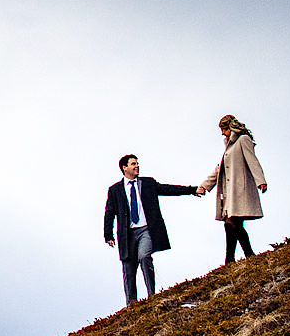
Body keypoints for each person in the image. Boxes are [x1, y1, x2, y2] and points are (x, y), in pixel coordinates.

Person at [103, 153, 199, 304]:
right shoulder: (115, 190)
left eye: (137, 163)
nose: (137, 166)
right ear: (124, 167)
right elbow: (109, 213)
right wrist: (108, 235)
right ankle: (131, 303)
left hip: (146, 230)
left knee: (144, 256)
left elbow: (168, 189)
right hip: (127, 234)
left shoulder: (148, 183)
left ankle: (152, 294)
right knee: (128, 268)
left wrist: (192, 190)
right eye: (133, 164)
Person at [199, 115, 269, 263]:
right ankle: (246, 256)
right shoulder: (229, 146)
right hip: (231, 193)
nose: (222, 133)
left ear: (230, 127)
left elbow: (252, 161)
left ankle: (231, 259)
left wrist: (260, 181)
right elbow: (220, 169)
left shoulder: (243, 140)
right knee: (233, 224)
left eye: (223, 129)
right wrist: (205, 186)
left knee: (231, 223)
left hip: (240, 190)